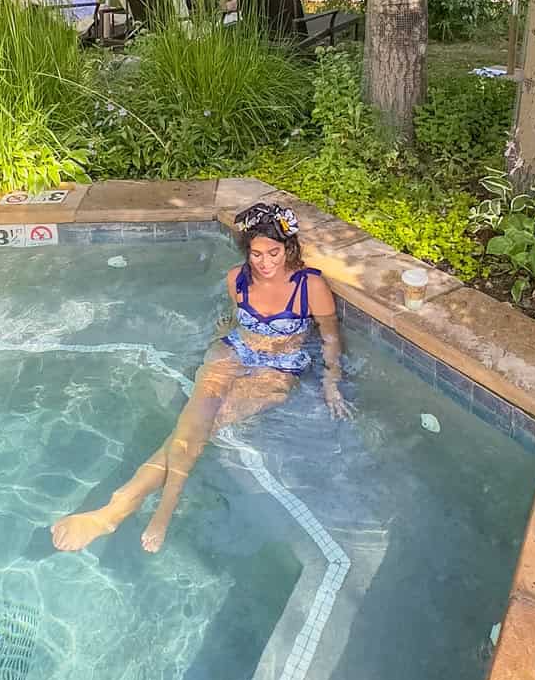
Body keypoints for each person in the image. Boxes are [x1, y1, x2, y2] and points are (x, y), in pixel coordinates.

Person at [51, 202, 346, 556]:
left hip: (278, 368)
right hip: (232, 352)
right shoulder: (236, 278)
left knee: (201, 427)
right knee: (194, 425)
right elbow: (241, 318)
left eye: (274, 253)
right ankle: (125, 510)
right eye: (256, 254)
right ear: (246, 251)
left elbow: (330, 336)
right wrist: (228, 331)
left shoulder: (310, 285)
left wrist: (332, 380)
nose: (265, 263)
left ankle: (124, 507)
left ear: (289, 248)